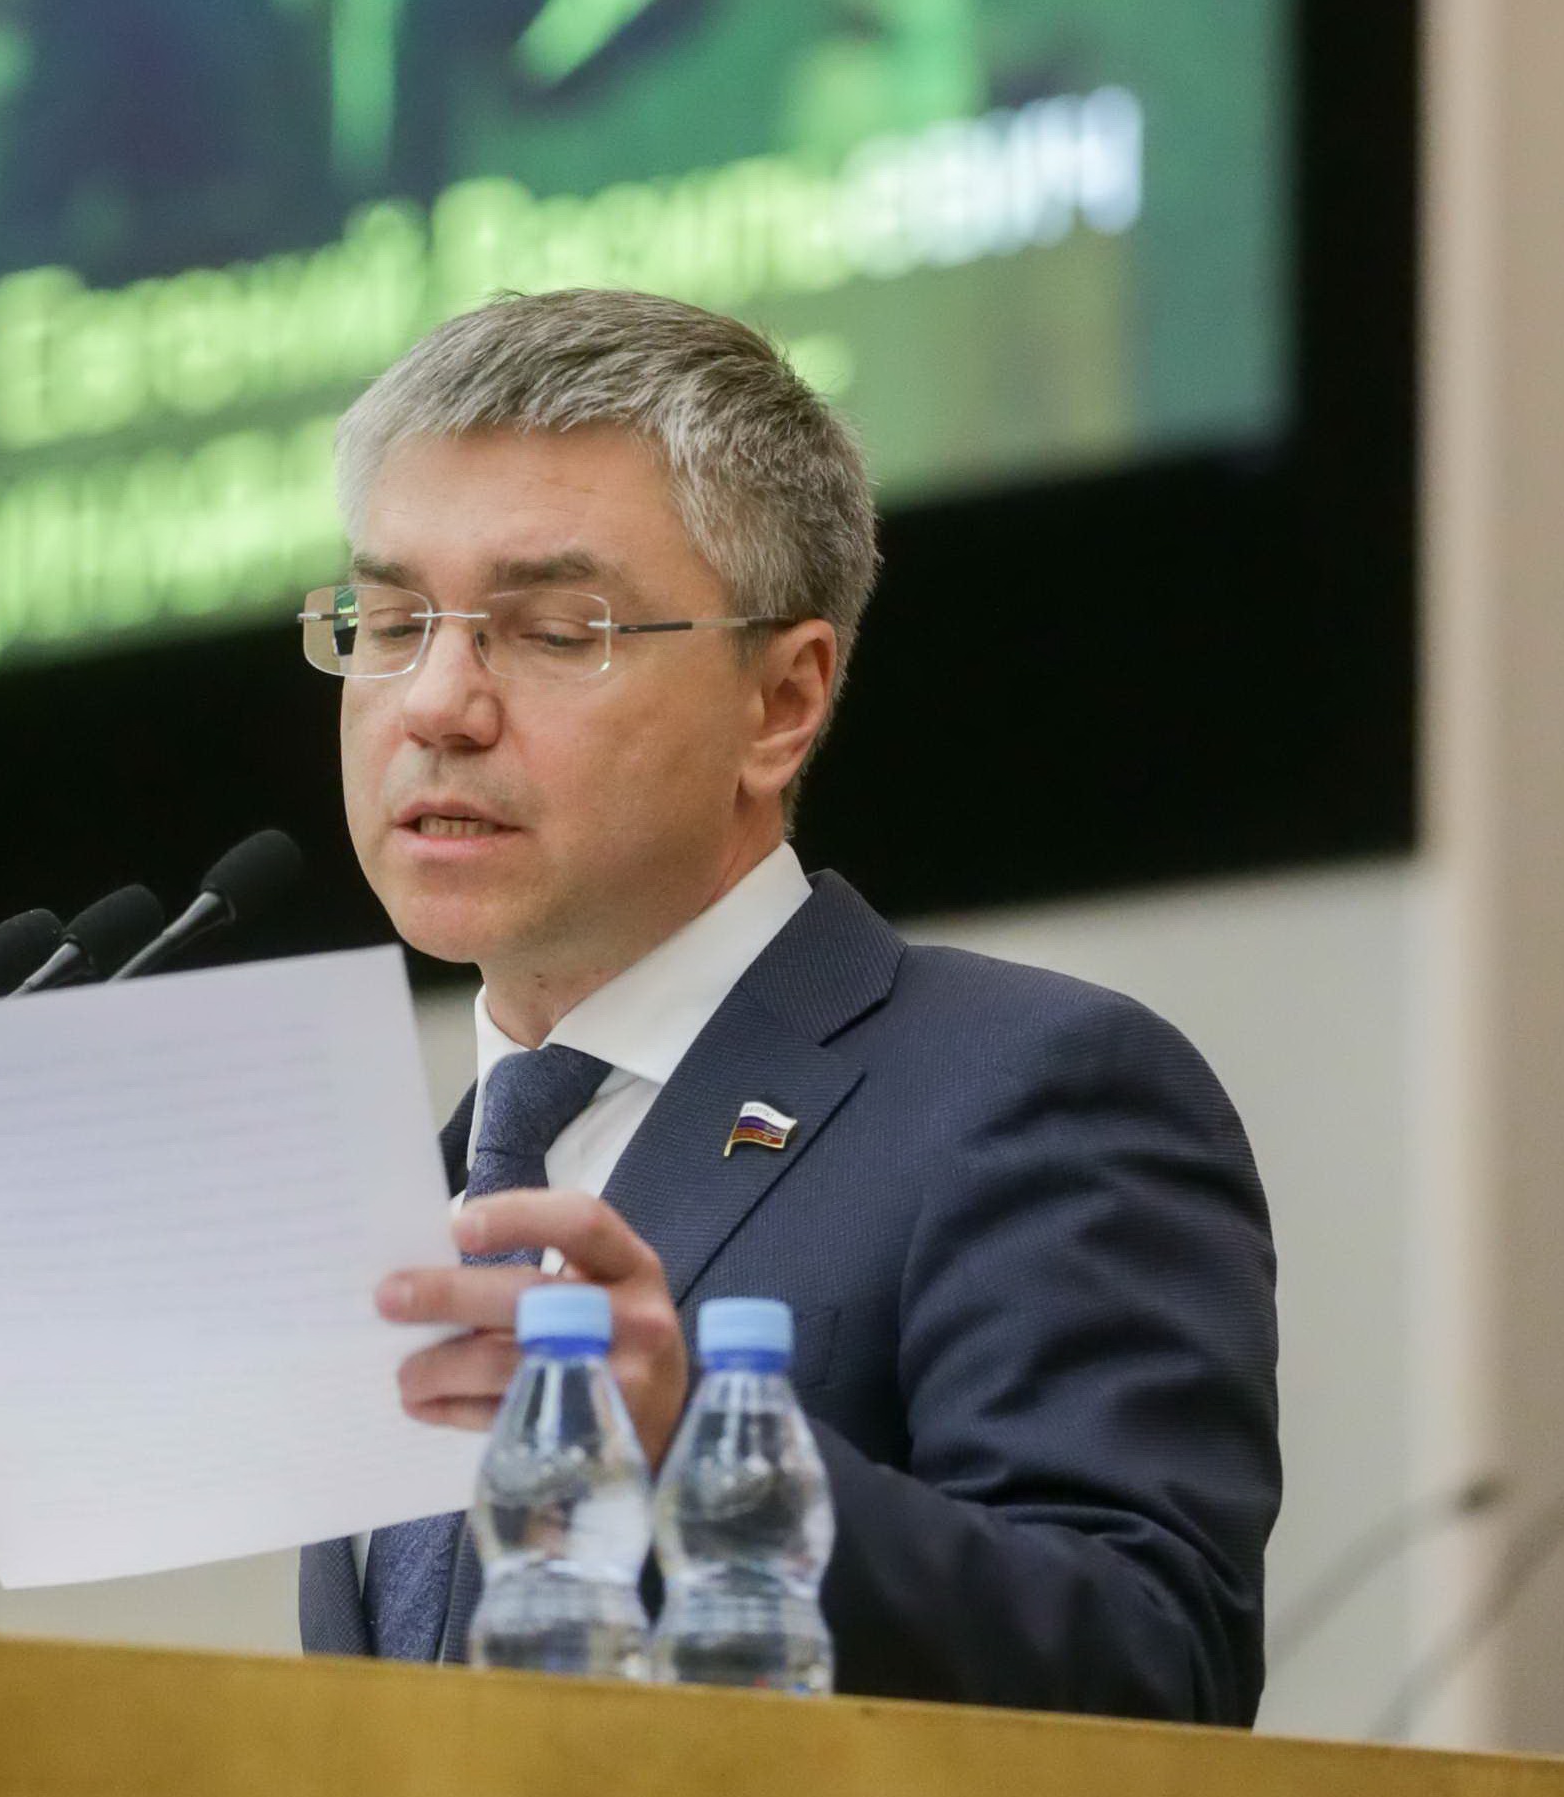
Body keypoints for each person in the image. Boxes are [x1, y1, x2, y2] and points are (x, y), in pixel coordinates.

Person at [293, 289, 1280, 1724]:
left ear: (781, 703)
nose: (435, 703)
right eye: (391, 623)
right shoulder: (438, 1191)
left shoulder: (1033, 1090)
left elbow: (1155, 1668)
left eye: (554, 629)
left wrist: (693, 1441)